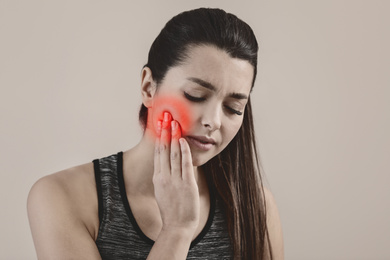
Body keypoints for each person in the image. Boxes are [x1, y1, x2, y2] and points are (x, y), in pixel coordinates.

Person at [27, 7, 284, 260]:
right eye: (195, 95)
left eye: (233, 108)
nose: (213, 121)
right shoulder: (62, 196)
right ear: (149, 87)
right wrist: (177, 230)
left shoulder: (256, 206)